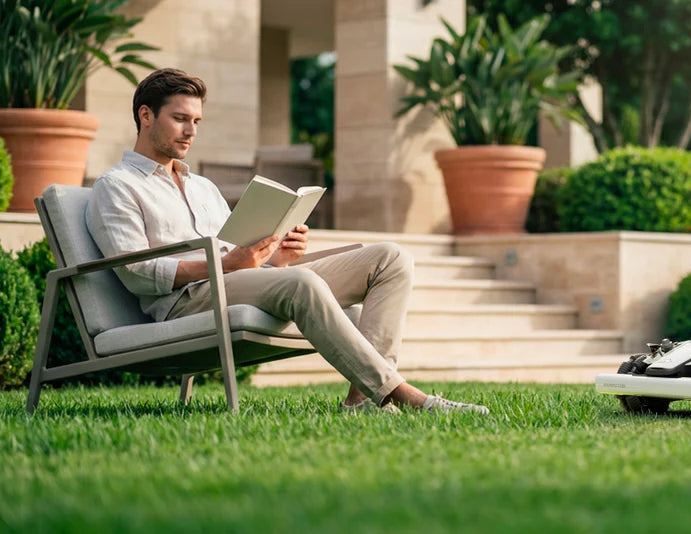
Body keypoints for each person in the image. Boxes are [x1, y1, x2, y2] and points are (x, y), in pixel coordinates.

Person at [86, 68, 488, 414]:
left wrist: (275, 255)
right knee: (303, 282)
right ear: (145, 115)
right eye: (179, 119)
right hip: (185, 301)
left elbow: (239, 257)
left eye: (197, 121)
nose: (191, 131)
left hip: (235, 281)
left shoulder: (202, 186)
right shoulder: (117, 186)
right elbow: (136, 271)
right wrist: (229, 265)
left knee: (390, 258)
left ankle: (361, 401)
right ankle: (400, 394)